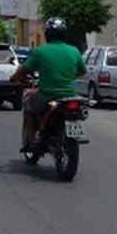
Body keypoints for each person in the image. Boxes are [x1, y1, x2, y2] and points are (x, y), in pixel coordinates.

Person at [9, 17, 87, 153]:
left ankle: (31, 140)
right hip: (70, 96)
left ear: (47, 34)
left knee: (28, 103)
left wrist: (13, 78)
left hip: (47, 95)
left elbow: (24, 70)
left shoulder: (41, 51)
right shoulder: (74, 51)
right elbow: (82, 71)